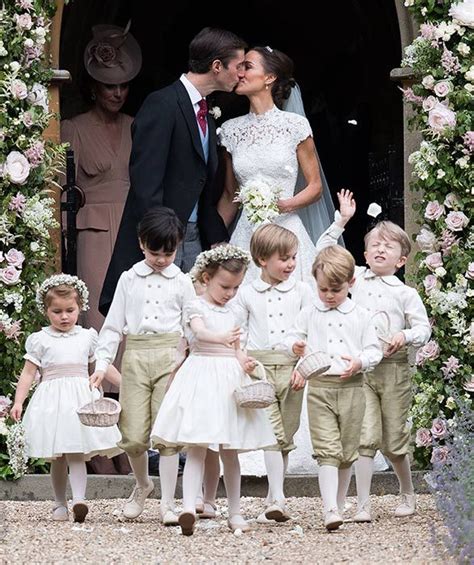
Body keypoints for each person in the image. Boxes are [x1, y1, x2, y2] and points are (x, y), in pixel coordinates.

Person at [100, 27, 247, 315]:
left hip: (195, 237)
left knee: (196, 319)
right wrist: (159, 241)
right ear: (217, 66)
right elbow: (145, 182)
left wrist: (215, 234)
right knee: (159, 318)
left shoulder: (206, 109)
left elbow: (201, 180)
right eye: (239, 66)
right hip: (164, 239)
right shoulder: (162, 104)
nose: (242, 74)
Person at [315, 194, 431, 521]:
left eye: (389, 246)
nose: (380, 249)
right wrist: (342, 220)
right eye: (374, 245)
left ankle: (407, 490)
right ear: (365, 254)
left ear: (402, 259)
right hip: (361, 369)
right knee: (363, 437)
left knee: (394, 440)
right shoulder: (355, 280)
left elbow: (423, 329)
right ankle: (362, 503)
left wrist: (403, 336)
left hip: (394, 371)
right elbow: (324, 251)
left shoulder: (405, 293)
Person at [151, 245, 276, 536]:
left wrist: (245, 361)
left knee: (229, 450)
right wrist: (220, 337)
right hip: (201, 375)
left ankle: (234, 511)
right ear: (206, 278)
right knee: (197, 446)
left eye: (236, 287)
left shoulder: (234, 309)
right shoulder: (196, 306)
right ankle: (186, 506)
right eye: (225, 286)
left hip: (229, 378)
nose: (230, 293)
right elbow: (200, 332)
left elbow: (238, 347)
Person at [89, 207, 196, 525]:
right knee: (133, 435)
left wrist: (189, 357)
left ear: (177, 246)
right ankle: (142, 484)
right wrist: (102, 363)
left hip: (169, 360)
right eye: (154, 252)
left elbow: (191, 324)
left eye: (168, 252)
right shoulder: (129, 279)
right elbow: (112, 326)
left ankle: (167, 503)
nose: (162, 259)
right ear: (141, 244)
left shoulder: (182, 281)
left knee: (166, 436)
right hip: (135, 357)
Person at [217, 46, 334, 285]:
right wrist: (216, 239)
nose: (240, 73)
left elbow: (315, 187)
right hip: (246, 235)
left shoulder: (296, 126)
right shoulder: (230, 130)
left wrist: (282, 206)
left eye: (247, 67)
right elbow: (231, 195)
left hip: (286, 233)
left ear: (269, 78)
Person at [10, 274, 122, 523]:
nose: (64, 317)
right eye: (57, 311)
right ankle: (59, 503)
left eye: (70, 310)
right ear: (46, 311)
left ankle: (79, 500)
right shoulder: (40, 340)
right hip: (52, 403)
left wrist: (124, 384)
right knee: (58, 455)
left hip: (80, 401)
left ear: (79, 307)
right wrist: (18, 401)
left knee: (76, 451)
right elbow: (28, 374)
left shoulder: (87, 337)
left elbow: (102, 365)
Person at [285, 245, 382, 530]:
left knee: (346, 450)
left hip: (352, 387)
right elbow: (292, 334)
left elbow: (374, 350)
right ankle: (329, 508)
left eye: (335, 290)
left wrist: (360, 362)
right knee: (326, 449)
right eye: (323, 289)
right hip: (320, 388)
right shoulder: (309, 312)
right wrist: (295, 345)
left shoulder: (361, 315)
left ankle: (338, 505)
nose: (328, 296)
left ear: (351, 283)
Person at [61, 23, 142, 338]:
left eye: (123, 85)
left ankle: (131, 384)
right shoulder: (74, 128)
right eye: (110, 86)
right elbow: (62, 192)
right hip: (92, 233)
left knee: (134, 312)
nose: (118, 93)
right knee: (97, 312)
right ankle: (98, 382)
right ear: (93, 87)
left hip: (132, 229)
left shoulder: (137, 126)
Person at [231, 224, 313, 522]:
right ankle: (277, 498)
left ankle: (273, 497)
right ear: (263, 259)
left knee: (286, 436)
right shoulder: (248, 293)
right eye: (284, 259)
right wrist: (242, 359)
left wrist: (304, 366)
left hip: (292, 369)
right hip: (261, 368)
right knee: (272, 434)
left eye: (293, 258)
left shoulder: (303, 291)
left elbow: (309, 330)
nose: (291, 264)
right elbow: (238, 332)